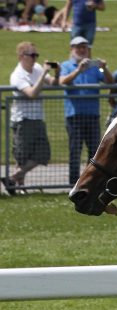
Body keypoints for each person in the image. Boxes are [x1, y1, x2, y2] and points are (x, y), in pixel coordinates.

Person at [3, 42, 59, 195]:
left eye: (36, 55)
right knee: (22, 156)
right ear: (21, 57)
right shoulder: (17, 75)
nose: (35, 58)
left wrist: (57, 72)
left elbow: (54, 83)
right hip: (23, 119)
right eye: (32, 55)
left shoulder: (38, 69)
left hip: (38, 118)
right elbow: (32, 93)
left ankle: (12, 178)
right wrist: (43, 75)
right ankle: (19, 187)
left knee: (44, 153)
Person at [60, 35, 113, 185]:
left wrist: (104, 68)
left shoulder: (94, 67)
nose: (82, 50)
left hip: (92, 115)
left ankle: (91, 181)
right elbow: (63, 81)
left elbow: (110, 81)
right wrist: (78, 70)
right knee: (75, 152)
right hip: (74, 116)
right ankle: (73, 182)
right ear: (72, 49)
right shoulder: (66, 65)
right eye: (78, 47)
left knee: (94, 152)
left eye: (84, 47)